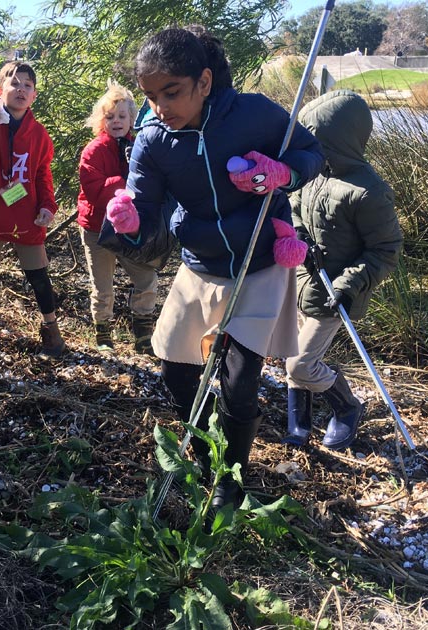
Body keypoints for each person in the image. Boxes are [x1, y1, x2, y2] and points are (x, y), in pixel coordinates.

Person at [105, 26, 324, 509]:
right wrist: (129, 217)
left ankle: (233, 478)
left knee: (240, 381)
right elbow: (144, 204)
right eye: (150, 96)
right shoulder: (154, 140)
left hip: (260, 263)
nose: (161, 107)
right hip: (200, 265)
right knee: (177, 371)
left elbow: (312, 152)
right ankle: (206, 455)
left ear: (204, 82)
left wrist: (285, 172)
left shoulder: (254, 114)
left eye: (172, 92)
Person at [284, 89, 403, 451]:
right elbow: (294, 206)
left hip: (333, 295)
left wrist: (347, 285)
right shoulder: (315, 175)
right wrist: (298, 235)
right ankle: (299, 422)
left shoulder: (368, 191)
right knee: (295, 352)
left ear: (340, 139)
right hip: (303, 281)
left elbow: (385, 249)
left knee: (300, 365)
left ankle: (348, 406)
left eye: (316, 141)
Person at [0, 60, 65, 357]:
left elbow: (42, 175)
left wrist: (47, 205)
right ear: (0, 90)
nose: (21, 89)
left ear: (34, 95)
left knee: (39, 275)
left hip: (27, 214)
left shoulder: (39, 135)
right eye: (15, 83)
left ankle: (51, 329)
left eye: (28, 86)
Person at [77, 82, 160, 354]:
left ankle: (143, 335)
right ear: (101, 119)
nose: (116, 122)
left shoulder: (138, 146)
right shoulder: (94, 150)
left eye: (122, 116)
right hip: (97, 227)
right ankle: (103, 335)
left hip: (129, 227)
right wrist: (124, 183)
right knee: (102, 285)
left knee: (146, 278)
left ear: (132, 118)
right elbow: (93, 189)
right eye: (110, 117)